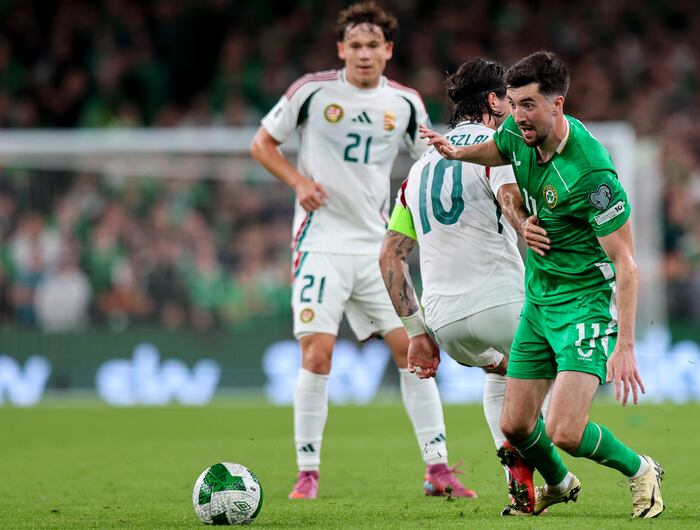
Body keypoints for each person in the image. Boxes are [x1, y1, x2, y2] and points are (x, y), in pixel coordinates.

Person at [420, 51, 665, 519]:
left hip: (583, 306)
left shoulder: (591, 173)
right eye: (512, 103)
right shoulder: (516, 131)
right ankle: (557, 486)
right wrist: (457, 152)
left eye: (529, 104)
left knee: (565, 432)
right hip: (537, 301)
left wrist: (626, 345)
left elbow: (627, 263)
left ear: (558, 103)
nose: (518, 116)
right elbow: (499, 149)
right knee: (514, 425)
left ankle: (642, 470)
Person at [251, 1, 474, 500]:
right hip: (320, 244)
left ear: (388, 50)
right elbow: (262, 143)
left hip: (376, 248)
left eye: (373, 45)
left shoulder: (406, 103)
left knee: (413, 350)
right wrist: (297, 181)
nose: (364, 53)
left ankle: (437, 470)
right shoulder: (312, 92)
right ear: (341, 49)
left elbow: (428, 164)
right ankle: (307, 473)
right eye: (355, 45)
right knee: (319, 353)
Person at [379, 58, 550, 513]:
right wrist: (527, 231)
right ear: (493, 100)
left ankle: (517, 482)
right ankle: (553, 474)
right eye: (509, 101)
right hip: (502, 302)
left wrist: (416, 332)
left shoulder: (418, 169)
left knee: (501, 372)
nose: (515, 111)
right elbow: (510, 199)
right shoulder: (498, 146)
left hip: (444, 323)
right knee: (560, 371)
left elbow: (389, 255)